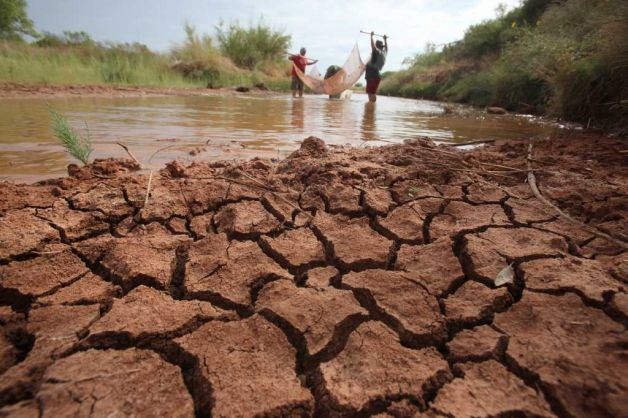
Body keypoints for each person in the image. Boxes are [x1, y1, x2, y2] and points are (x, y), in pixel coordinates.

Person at [365, 32, 388, 102]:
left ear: (377, 46)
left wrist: (371, 36)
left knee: (370, 93)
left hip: (372, 73)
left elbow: (373, 46)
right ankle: (372, 108)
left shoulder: (378, 51)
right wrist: (385, 40)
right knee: (371, 92)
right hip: (376, 74)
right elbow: (387, 48)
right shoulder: (384, 53)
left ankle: (371, 108)